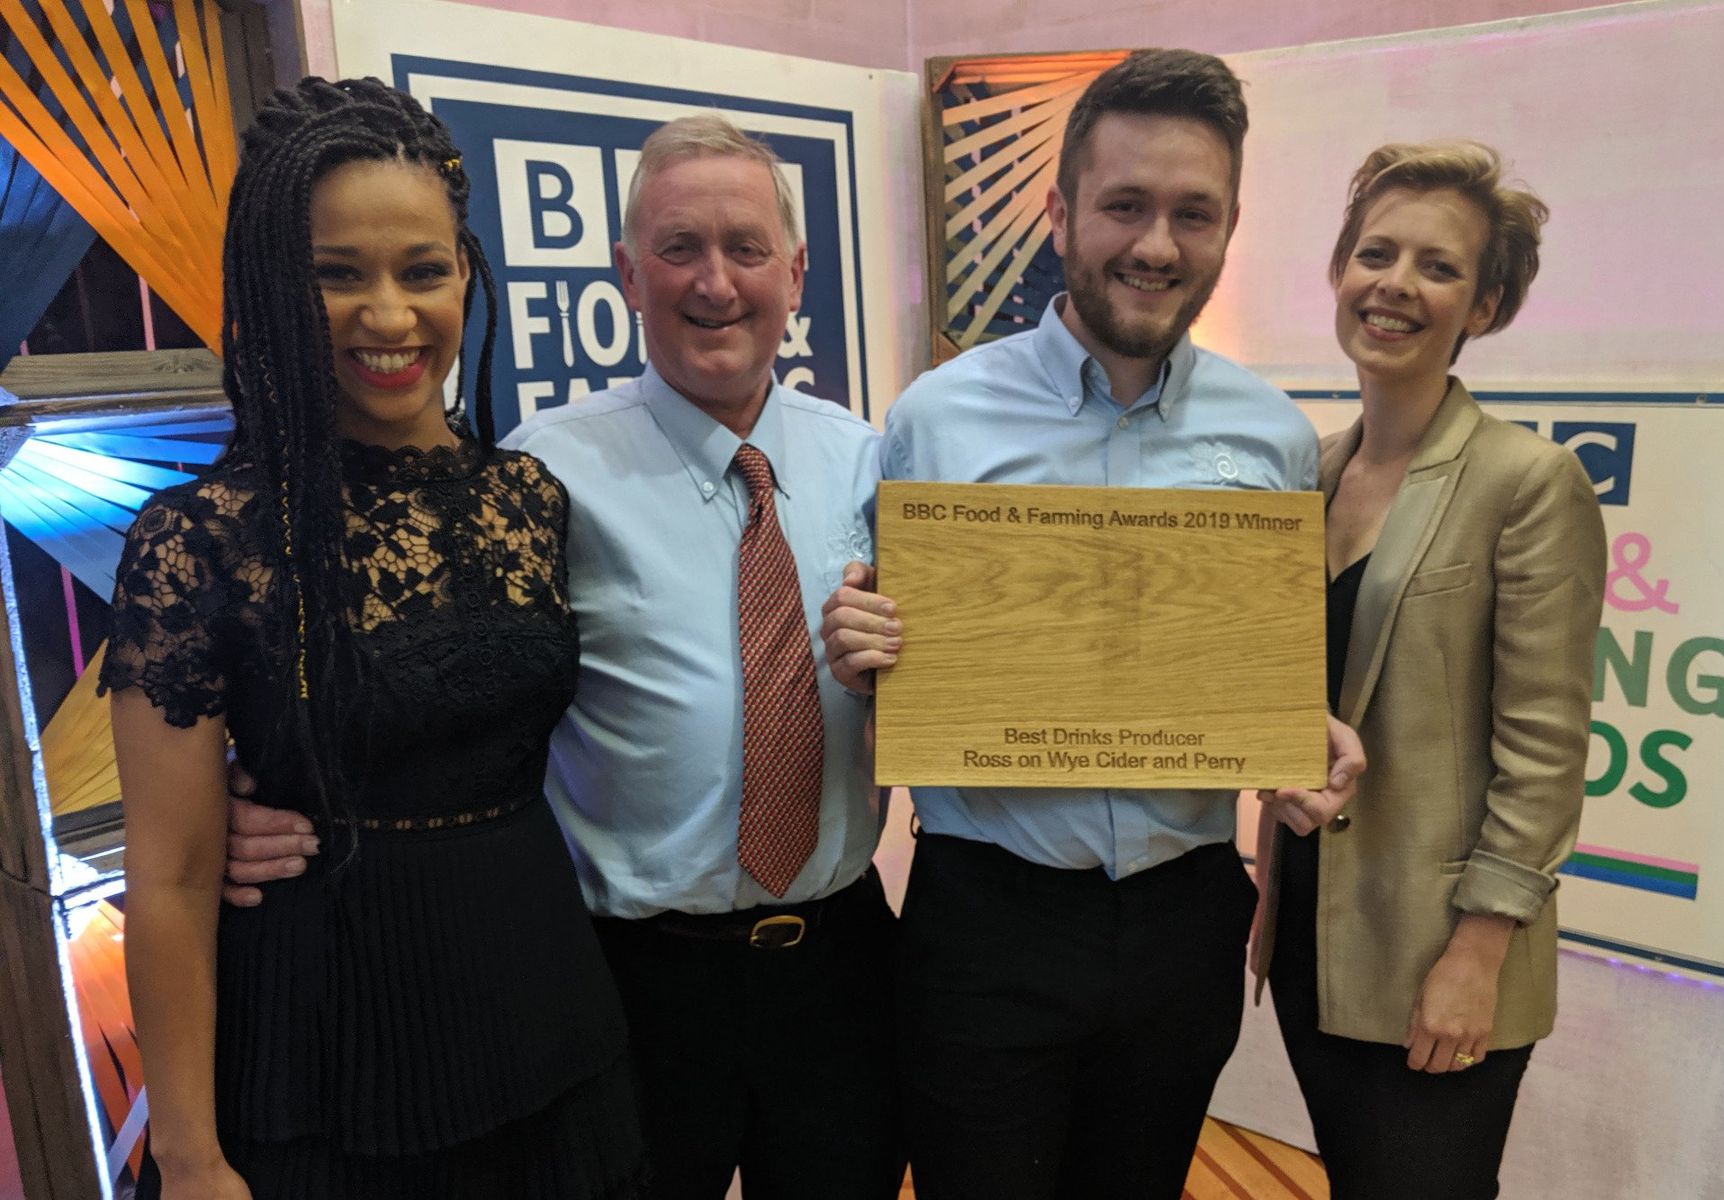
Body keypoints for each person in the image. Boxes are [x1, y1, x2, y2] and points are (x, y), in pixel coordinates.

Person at [224, 113, 901, 1200]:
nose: (715, 284)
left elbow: (947, 675)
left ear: (798, 271)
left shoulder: (873, 462)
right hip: (629, 980)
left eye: (746, 249)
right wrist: (241, 798)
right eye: (678, 249)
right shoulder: (539, 476)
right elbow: (410, 677)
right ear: (628, 275)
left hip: (843, 967)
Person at [821, 49, 1364, 1200]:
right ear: (1061, 212)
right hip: (989, 918)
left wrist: (1298, 739)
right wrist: (871, 657)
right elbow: (901, 663)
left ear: (1228, 229)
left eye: (1192, 213)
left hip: (1185, 920)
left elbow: (1245, 670)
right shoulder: (936, 420)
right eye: (1124, 205)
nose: (1157, 244)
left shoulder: (1271, 439)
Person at [103, 78, 644, 1199]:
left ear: (465, 277)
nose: (389, 316)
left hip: (544, 1013)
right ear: (269, 291)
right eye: (335, 276)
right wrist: (193, 1156)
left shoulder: (528, 498)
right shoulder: (200, 539)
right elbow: (170, 873)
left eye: (422, 270)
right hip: (320, 1050)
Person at [1249, 142, 1606, 1200]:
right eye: (1376, 252)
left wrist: (1477, 955)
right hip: (1314, 937)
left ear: (1485, 306)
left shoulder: (1529, 480)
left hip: (1441, 958)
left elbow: (1544, 751)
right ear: (1339, 274)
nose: (1396, 283)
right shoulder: (1304, 471)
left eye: (1439, 267)